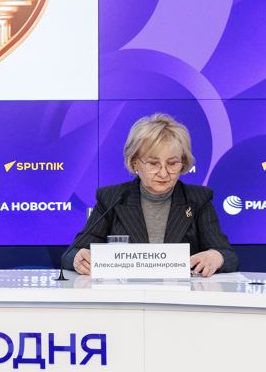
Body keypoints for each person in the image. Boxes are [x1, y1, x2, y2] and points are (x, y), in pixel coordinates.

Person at [62, 113, 237, 277]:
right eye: (153, 163)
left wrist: (216, 257)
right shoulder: (112, 198)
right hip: (125, 295)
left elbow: (228, 256)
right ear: (134, 162)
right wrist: (78, 259)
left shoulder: (198, 199)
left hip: (182, 295)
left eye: (172, 163)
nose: (163, 173)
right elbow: (71, 254)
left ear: (183, 164)